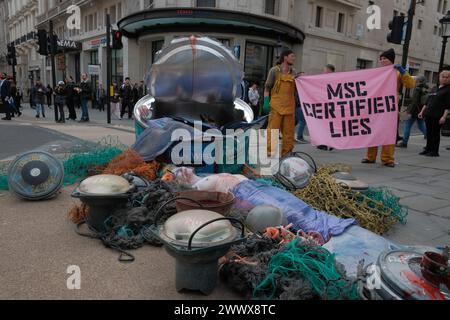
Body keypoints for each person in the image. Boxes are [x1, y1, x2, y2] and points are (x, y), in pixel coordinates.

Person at [362, 48, 416, 167]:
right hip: (375, 107)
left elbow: (410, 84)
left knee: (388, 133)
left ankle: (387, 159)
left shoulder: (397, 73)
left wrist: (403, 72)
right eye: (381, 59)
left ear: (391, 60)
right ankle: (370, 157)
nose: (382, 61)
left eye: (385, 58)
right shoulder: (377, 73)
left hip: (390, 108)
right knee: (373, 132)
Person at [263, 49, 296, 157]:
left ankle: (287, 154)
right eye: (292, 56)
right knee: (273, 131)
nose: (293, 58)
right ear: (285, 57)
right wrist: (266, 102)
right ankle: (270, 152)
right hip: (276, 107)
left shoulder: (294, 73)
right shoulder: (274, 71)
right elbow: (267, 88)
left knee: (289, 133)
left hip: (289, 107)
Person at [418, 70, 450, 157]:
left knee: (435, 133)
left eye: (447, 77)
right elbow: (427, 102)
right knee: (429, 132)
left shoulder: (448, 90)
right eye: (442, 77)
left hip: (438, 115)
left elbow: (448, 106)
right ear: (439, 78)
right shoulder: (434, 88)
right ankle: (428, 149)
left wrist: (444, 117)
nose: (444, 79)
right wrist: (421, 112)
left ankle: (434, 151)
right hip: (429, 114)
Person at [397, 76, 428, 148]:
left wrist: (410, 112)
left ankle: (404, 142)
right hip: (421, 110)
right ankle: (429, 137)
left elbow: (414, 102)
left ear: (418, 81)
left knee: (407, 125)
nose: (414, 81)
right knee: (421, 125)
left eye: (415, 80)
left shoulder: (417, 89)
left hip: (415, 111)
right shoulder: (425, 88)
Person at [317, 65, 336, 151]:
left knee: (330, 125)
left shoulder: (335, 79)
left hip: (330, 106)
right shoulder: (322, 79)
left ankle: (330, 142)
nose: (323, 71)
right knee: (323, 125)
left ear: (330, 70)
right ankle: (323, 143)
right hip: (324, 105)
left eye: (325, 70)